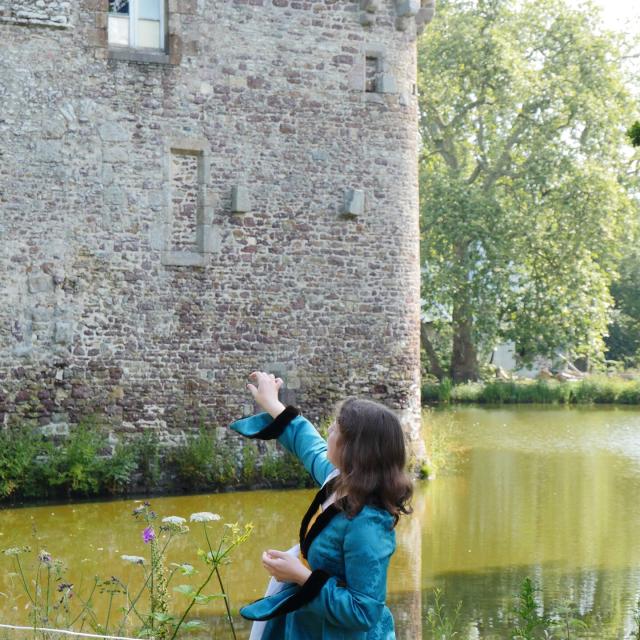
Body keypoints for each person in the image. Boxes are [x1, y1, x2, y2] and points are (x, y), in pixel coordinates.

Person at [229, 371, 413, 640]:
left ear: (355, 450)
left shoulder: (368, 523)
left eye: (336, 428)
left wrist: (302, 577)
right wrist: (271, 403)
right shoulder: (339, 480)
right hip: (308, 625)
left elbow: (364, 612)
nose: (328, 430)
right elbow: (308, 444)